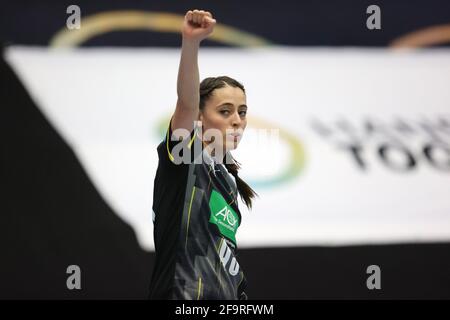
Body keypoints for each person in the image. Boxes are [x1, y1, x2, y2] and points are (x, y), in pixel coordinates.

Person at [148, 9, 257, 300]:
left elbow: (222, 267)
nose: (237, 120)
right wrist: (191, 43)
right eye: (225, 111)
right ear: (199, 118)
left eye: (242, 112)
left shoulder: (229, 184)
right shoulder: (186, 159)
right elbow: (185, 103)